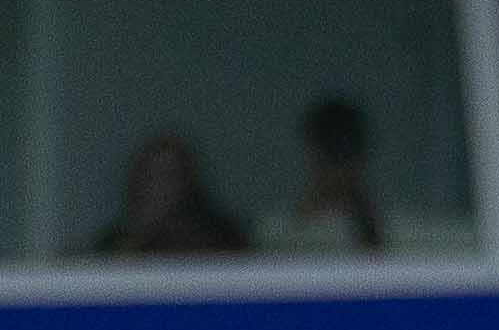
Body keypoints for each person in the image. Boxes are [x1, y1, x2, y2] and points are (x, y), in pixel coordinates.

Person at [90, 133, 245, 257]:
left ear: (187, 182)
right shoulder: (114, 245)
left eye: (166, 175)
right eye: (147, 174)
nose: (153, 185)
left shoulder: (221, 239)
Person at [278, 96, 387, 252]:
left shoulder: (407, 235)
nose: (337, 172)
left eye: (344, 156)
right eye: (331, 155)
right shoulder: (278, 234)